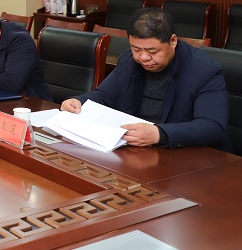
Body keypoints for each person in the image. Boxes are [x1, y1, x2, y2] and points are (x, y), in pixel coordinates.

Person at [61, 8, 229, 150]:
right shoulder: (128, 59)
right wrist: (78, 102)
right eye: (136, 49)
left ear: (173, 41)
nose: (143, 58)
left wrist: (159, 133)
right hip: (137, 151)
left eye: (152, 51)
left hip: (183, 156)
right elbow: (105, 96)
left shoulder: (204, 70)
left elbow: (213, 127)